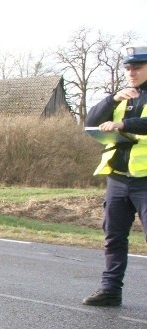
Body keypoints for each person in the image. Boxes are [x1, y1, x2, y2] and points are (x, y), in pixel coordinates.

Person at [82, 46, 147, 307]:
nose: (131, 73)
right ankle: (110, 290)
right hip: (118, 178)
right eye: (128, 68)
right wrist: (111, 100)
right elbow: (91, 120)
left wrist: (123, 124)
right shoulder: (123, 96)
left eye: (137, 68)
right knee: (113, 237)